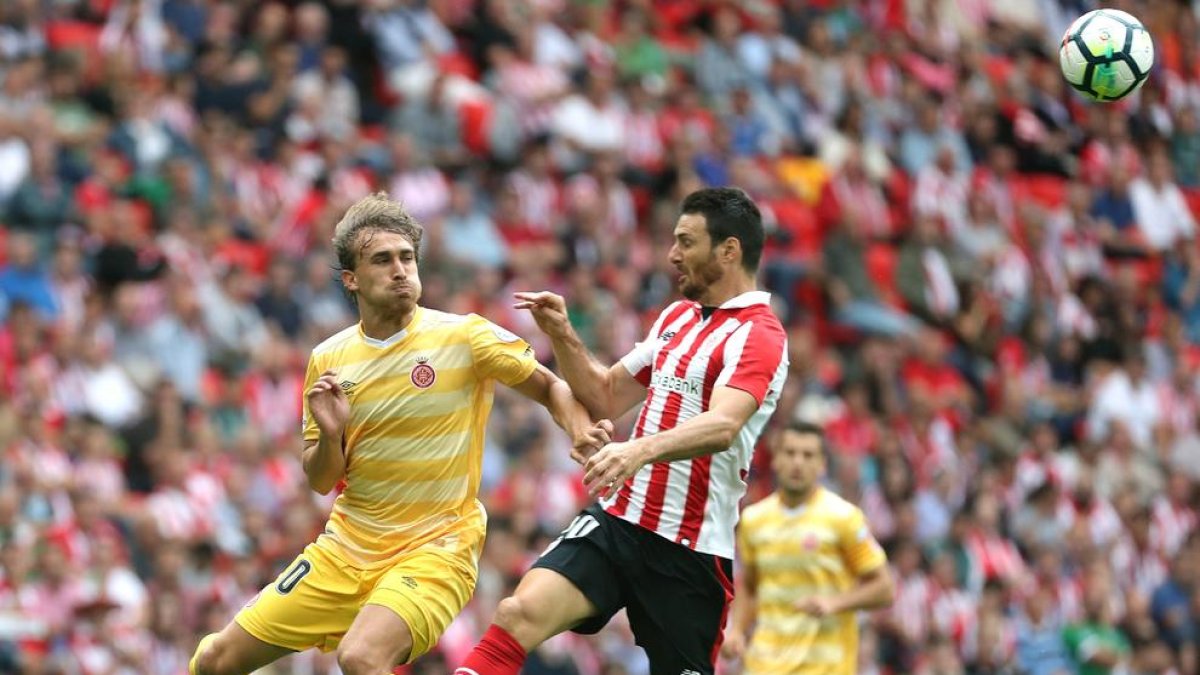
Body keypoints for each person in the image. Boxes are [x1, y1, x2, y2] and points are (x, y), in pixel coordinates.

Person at [190, 192, 612, 675]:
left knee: (362, 657)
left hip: (436, 547)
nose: (400, 270)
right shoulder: (328, 358)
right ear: (351, 279)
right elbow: (322, 479)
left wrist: (578, 428)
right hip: (345, 549)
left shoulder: (462, 336)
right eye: (382, 260)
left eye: (407, 258)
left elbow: (552, 387)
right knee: (214, 660)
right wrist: (330, 437)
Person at [454, 186, 790, 675]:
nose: (672, 255)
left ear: (729, 250)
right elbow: (605, 395)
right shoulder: (678, 317)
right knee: (517, 613)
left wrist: (636, 452)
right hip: (619, 522)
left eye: (686, 242)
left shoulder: (760, 335)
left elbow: (723, 424)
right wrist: (562, 334)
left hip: (689, 552)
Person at [721, 421, 895, 674]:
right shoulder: (753, 520)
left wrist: (835, 603)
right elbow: (749, 585)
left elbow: (885, 589)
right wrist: (736, 630)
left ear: (822, 464)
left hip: (825, 666)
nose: (798, 462)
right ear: (776, 460)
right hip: (764, 664)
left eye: (808, 455)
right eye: (790, 453)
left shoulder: (844, 518)